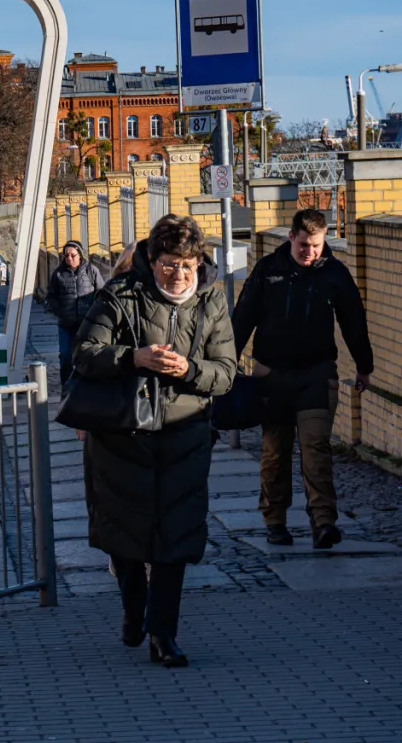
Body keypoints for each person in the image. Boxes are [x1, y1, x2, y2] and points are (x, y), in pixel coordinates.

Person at [73, 215, 237, 667]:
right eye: (169, 263)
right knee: (124, 534)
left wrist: (188, 370)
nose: (179, 274)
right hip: (124, 435)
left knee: (175, 538)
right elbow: (83, 355)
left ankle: (163, 634)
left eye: (187, 264)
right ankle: (133, 606)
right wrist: (134, 357)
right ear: (152, 258)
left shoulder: (212, 303)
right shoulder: (120, 295)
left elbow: (225, 372)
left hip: (186, 434)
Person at [231, 209, 373, 549]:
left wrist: (364, 366)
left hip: (316, 372)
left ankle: (323, 522)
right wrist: (227, 364)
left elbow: (353, 320)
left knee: (316, 449)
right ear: (291, 237)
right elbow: (243, 317)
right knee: (275, 452)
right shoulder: (268, 271)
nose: (310, 252)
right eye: (305, 245)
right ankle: (275, 520)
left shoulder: (335, 273)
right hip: (271, 374)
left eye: (317, 246)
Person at [46, 240, 104, 384]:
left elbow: (102, 294)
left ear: (80, 254)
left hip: (87, 325)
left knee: (88, 356)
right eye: (66, 256)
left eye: (73, 255)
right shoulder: (58, 274)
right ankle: (66, 387)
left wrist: (95, 312)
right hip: (66, 325)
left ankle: (86, 387)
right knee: (65, 356)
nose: (69, 258)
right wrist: (59, 311)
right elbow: (51, 296)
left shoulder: (91, 271)